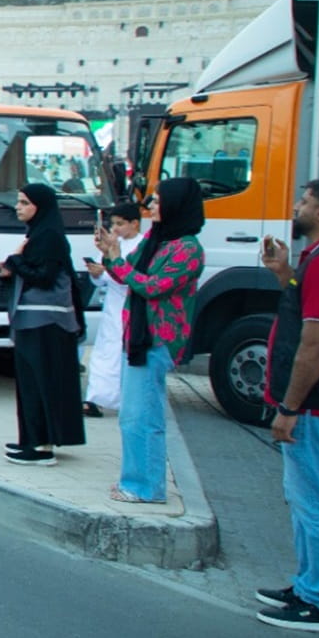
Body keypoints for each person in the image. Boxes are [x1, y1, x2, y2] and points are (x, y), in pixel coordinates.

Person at [255, 177, 319, 633]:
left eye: (304, 201)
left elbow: (316, 343)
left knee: (317, 500)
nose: (296, 207)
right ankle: (306, 586)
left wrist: (289, 406)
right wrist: (284, 273)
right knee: (305, 497)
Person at [94, 176, 205, 504]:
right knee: (133, 415)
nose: (151, 206)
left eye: (158, 200)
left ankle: (145, 487)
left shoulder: (188, 248)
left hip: (158, 339)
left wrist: (117, 262)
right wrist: (111, 253)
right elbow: (126, 273)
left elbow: (152, 286)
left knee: (143, 415)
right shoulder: (155, 240)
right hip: (138, 336)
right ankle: (136, 481)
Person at [0, 184, 87, 465]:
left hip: (47, 322)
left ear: (40, 206)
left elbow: (44, 276)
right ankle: (31, 439)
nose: (18, 207)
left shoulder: (50, 237)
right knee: (30, 383)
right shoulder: (39, 234)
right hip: (32, 321)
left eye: (24, 202)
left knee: (42, 381)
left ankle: (43, 446)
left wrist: (16, 262)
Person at [83, 202, 143, 416]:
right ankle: (95, 398)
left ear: (134, 223)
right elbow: (102, 281)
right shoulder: (112, 244)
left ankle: (122, 399)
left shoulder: (142, 246)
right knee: (104, 352)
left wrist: (107, 272)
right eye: (113, 224)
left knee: (121, 353)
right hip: (112, 305)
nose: (115, 228)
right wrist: (96, 272)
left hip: (131, 305)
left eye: (120, 224)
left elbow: (132, 277)